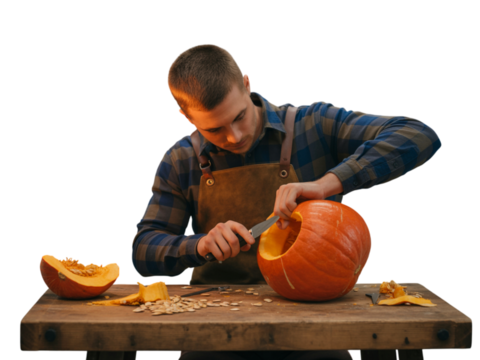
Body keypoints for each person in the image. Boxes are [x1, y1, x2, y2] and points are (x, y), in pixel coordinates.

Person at [130, 43, 443, 360]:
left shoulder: (314, 124)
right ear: (185, 117)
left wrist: (327, 184)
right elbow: (143, 249)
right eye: (215, 129)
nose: (235, 136)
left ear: (247, 85)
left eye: (239, 116)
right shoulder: (179, 158)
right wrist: (199, 245)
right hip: (216, 322)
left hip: (314, 317)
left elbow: (418, 135)